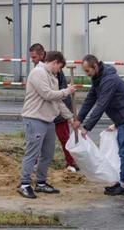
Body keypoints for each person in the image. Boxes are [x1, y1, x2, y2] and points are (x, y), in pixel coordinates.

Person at [72, 54, 124, 196]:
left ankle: (123, 185)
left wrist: (87, 127)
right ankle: (120, 180)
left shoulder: (109, 80)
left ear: (95, 66)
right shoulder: (98, 79)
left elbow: (101, 105)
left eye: (87, 71)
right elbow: (90, 99)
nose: (86, 74)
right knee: (121, 151)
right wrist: (79, 119)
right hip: (121, 119)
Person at [18, 51, 75, 199]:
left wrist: (70, 118)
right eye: (60, 67)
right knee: (32, 152)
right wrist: (67, 91)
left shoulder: (53, 77)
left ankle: (41, 182)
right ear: (54, 62)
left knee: (47, 154)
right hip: (35, 118)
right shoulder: (38, 73)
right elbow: (47, 94)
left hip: (48, 119)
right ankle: (24, 184)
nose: (59, 71)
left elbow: (57, 101)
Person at [29, 43, 79, 172]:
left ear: (42, 55)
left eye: (34, 57)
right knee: (39, 140)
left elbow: (55, 94)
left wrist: (69, 116)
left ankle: (71, 163)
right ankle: (34, 164)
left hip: (58, 108)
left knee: (64, 137)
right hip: (44, 111)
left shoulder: (55, 70)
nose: (32, 60)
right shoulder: (39, 71)